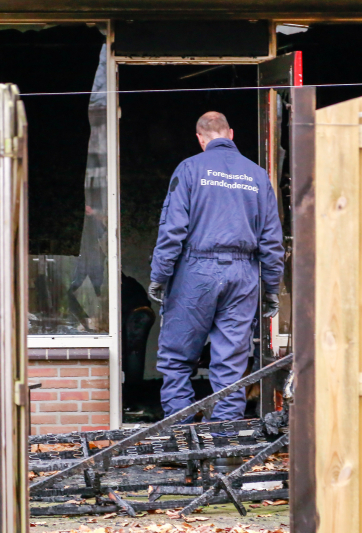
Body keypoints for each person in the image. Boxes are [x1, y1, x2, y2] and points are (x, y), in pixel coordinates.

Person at [148, 111, 284, 422]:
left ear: (200, 139)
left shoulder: (189, 169)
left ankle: (182, 436)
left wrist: (160, 276)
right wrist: (272, 288)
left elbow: (172, 231)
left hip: (196, 272)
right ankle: (224, 440)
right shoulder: (257, 175)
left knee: (177, 358)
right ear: (231, 134)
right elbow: (272, 240)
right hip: (242, 275)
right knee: (231, 362)